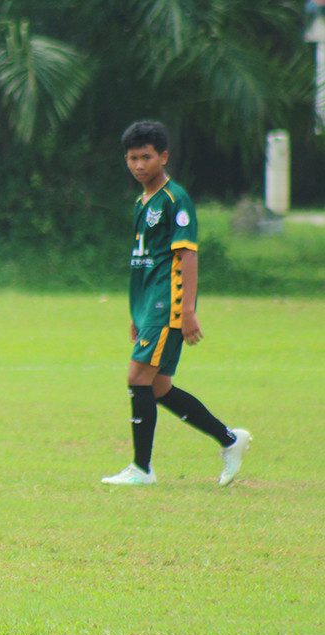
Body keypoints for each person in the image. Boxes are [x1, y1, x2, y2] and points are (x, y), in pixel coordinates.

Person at [101, 120, 250, 487]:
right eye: (132, 158)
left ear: (163, 157)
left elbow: (187, 256)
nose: (139, 165)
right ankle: (230, 440)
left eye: (146, 157)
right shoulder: (142, 202)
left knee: (137, 377)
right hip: (149, 307)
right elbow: (145, 262)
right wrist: (136, 313)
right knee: (158, 388)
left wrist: (187, 311)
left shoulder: (175, 199)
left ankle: (142, 469)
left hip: (167, 305)